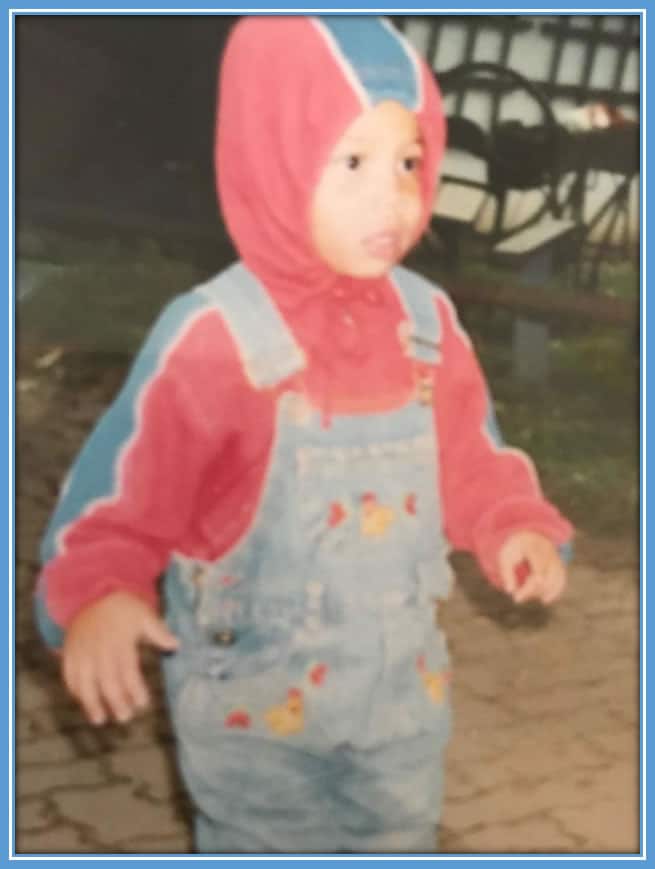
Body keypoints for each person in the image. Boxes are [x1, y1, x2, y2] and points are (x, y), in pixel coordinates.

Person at [34, 15, 573, 854]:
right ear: (274, 158)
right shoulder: (214, 335)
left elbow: (473, 456)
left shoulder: (426, 323)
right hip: (254, 715)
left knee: (397, 839)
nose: (390, 197)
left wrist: (515, 523)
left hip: (401, 699)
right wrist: (101, 591)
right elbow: (123, 496)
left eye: (407, 162)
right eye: (351, 163)